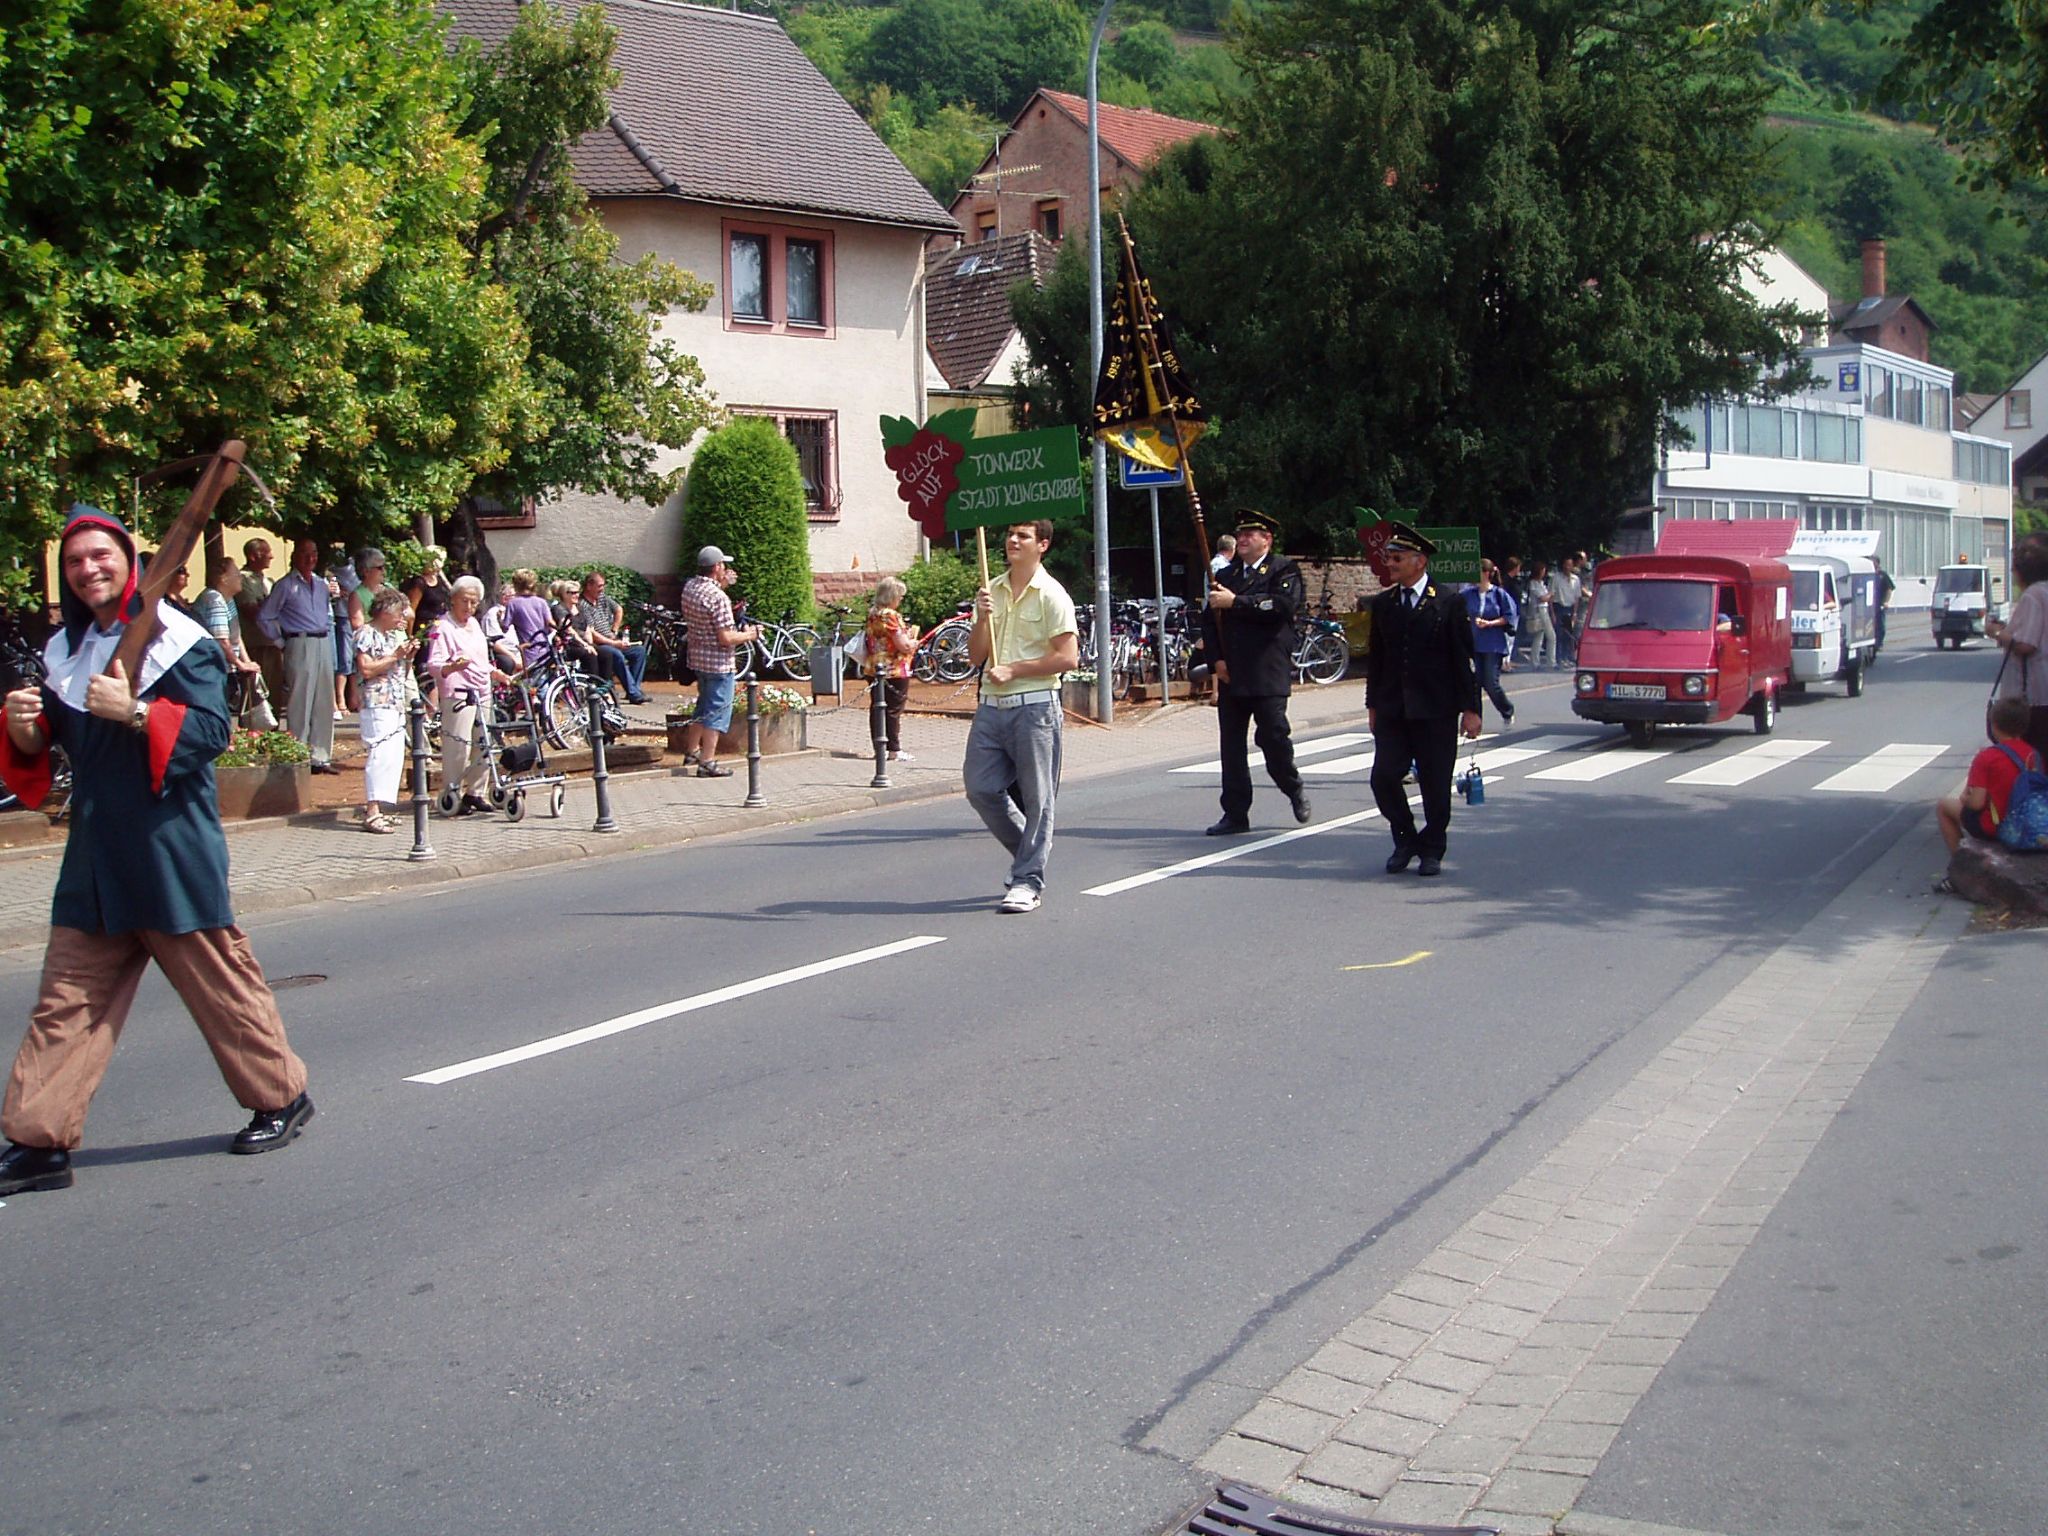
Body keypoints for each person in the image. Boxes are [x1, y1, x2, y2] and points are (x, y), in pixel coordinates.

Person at [0, 506, 314, 1197]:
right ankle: (38, 1141)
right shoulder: (65, 651)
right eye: (76, 560)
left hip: (170, 847)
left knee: (221, 989)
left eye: (100, 556)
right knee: (66, 1002)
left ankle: (281, 1098)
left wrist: (139, 711)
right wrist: (24, 727)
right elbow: (47, 752)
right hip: (95, 855)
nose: (89, 569)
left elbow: (209, 734)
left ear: (129, 562)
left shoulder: (180, 640)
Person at [965, 521, 1079, 914]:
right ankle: (1030, 853)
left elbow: (1067, 657)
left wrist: (1015, 669)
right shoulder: (991, 589)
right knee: (980, 788)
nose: (1013, 540)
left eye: (1023, 536)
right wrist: (981, 619)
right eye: (1010, 534)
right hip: (990, 706)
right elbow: (975, 657)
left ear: (1042, 545)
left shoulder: (1052, 595)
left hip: (1035, 708)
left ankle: (1028, 880)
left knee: (1038, 798)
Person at [1364, 521, 1482, 877]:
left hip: (1435, 709)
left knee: (1434, 784)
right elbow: (1378, 658)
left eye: (1397, 558)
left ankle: (1432, 848)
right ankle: (1405, 839)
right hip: (1393, 709)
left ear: (1419, 562)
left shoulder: (1448, 602)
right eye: (1390, 557)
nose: (1391, 564)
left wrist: (1471, 709)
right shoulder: (1384, 604)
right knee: (1383, 778)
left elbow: (1463, 660)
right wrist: (1372, 705)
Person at [1202, 509, 1311, 835]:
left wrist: (1237, 603)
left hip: (1267, 672)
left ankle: (1292, 786)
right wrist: (1216, 661)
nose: (1244, 538)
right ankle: (1235, 813)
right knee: (1231, 746)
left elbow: (1282, 606)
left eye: (1252, 534)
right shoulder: (1227, 574)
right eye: (1241, 533)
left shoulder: (1283, 570)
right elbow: (1209, 619)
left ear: (1267, 540)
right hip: (1232, 674)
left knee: (1273, 737)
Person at [423, 575, 509, 816]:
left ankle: (476, 792)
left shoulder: (475, 625)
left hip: (482, 690)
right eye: (465, 601)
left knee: (484, 743)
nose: (469, 607)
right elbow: (433, 664)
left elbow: (482, 661)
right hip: (458, 693)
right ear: (453, 600)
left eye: (474, 602)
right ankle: (452, 792)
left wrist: (497, 674)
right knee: (458, 745)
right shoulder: (442, 626)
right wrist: (451, 668)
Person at [254, 535, 340, 773]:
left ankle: (320, 756)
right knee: (299, 701)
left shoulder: (322, 584)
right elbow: (265, 616)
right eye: (305, 553)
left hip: (323, 640)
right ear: (294, 556)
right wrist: (281, 641)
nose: (310, 558)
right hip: (299, 642)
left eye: (314, 554)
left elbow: (328, 614)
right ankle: (298, 754)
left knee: (323, 700)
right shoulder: (285, 585)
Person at [1933, 696, 2042, 884]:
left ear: (1994, 725)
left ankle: (1960, 870)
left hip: (1995, 826)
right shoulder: (2034, 754)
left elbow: (1976, 803)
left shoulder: (1987, 757)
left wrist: (1965, 796)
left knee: (1944, 806)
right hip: (2028, 824)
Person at [679, 546, 759, 777]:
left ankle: (692, 751)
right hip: (718, 663)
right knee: (717, 711)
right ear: (716, 567)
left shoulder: (690, 588)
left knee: (703, 706)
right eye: (722, 565)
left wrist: (723, 584)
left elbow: (708, 603)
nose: (725, 568)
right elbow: (726, 637)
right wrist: (751, 634)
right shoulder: (718, 597)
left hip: (698, 658)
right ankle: (707, 761)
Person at [352, 589, 417, 833]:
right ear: (386, 611)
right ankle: (372, 810)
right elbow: (366, 669)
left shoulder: (392, 637)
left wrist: (408, 656)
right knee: (379, 755)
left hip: (395, 701)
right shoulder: (366, 633)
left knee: (393, 756)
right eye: (399, 612)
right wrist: (396, 656)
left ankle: (382, 808)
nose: (403, 617)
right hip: (377, 702)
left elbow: (402, 670)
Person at [1985, 536, 2048, 759]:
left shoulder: (2033, 595)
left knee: (2031, 758)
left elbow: (2026, 644)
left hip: (2033, 697)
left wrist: (1997, 633)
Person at [863, 575, 921, 761]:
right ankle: (894, 750)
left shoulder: (873, 613)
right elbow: (902, 645)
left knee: (877, 708)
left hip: (874, 666)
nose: (901, 600)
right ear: (892, 595)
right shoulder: (891, 615)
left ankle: (879, 748)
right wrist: (913, 642)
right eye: (900, 596)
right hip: (894, 667)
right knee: (893, 709)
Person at [576, 570, 649, 704]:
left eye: (603, 585)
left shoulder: (602, 598)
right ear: (589, 586)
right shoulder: (583, 605)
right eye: (599, 586)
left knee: (639, 651)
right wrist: (613, 643)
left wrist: (614, 630)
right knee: (617, 654)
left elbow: (618, 609)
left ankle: (634, 689)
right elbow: (591, 632)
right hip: (600, 644)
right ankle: (634, 693)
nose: (602, 589)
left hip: (611, 638)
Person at [1463, 557, 1518, 727]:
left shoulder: (1499, 594)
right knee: (1475, 684)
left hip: (1493, 644)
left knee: (1490, 683)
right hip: (1474, 643)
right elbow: (1455, 607)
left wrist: (1490, 623)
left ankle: (1507, 710)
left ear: (1487, 573)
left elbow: (1509, 617)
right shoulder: (1468, 594)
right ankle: (1476, 720)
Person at [504, 569, 555, 671]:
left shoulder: (513, 604)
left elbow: (505, 627)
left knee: (533, 681)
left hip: (528, 649)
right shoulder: (541, 602)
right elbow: (551, 623)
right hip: (544, 646)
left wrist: (499, 618)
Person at [1521, 558, 1558, 670]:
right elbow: (1542, 598)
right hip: (1539, 611)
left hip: (1544, 610)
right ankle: (1551, 662)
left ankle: (1534, 662)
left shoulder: (1541, 583)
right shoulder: (1533, 584)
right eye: (1542, 570)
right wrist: (1551, 594)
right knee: (1551, 637)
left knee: (1539, 637)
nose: (1544, 572)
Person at [1549, 554, 1584, 667]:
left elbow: (1577, 598)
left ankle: (1566, 657)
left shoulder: (1576, 579)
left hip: (1570, 608)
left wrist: (1574, 613)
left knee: (1568, 635)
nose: (1567, 567)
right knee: (1559, 634)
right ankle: (1559, 659)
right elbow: (1551, 596)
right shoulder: (1556, 578)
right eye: (1566, 564)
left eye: (1570, 565)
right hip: (1559, 607)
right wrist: (1552, 613)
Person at [1872, 555, 1896, 652]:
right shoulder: (1867, 574)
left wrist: (1886, 602)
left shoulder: (1882, 575)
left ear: (1877, 563)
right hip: (1868, 606)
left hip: (1879, 605)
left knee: (1880, 625)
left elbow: (1889, 589)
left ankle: (1879, 643)